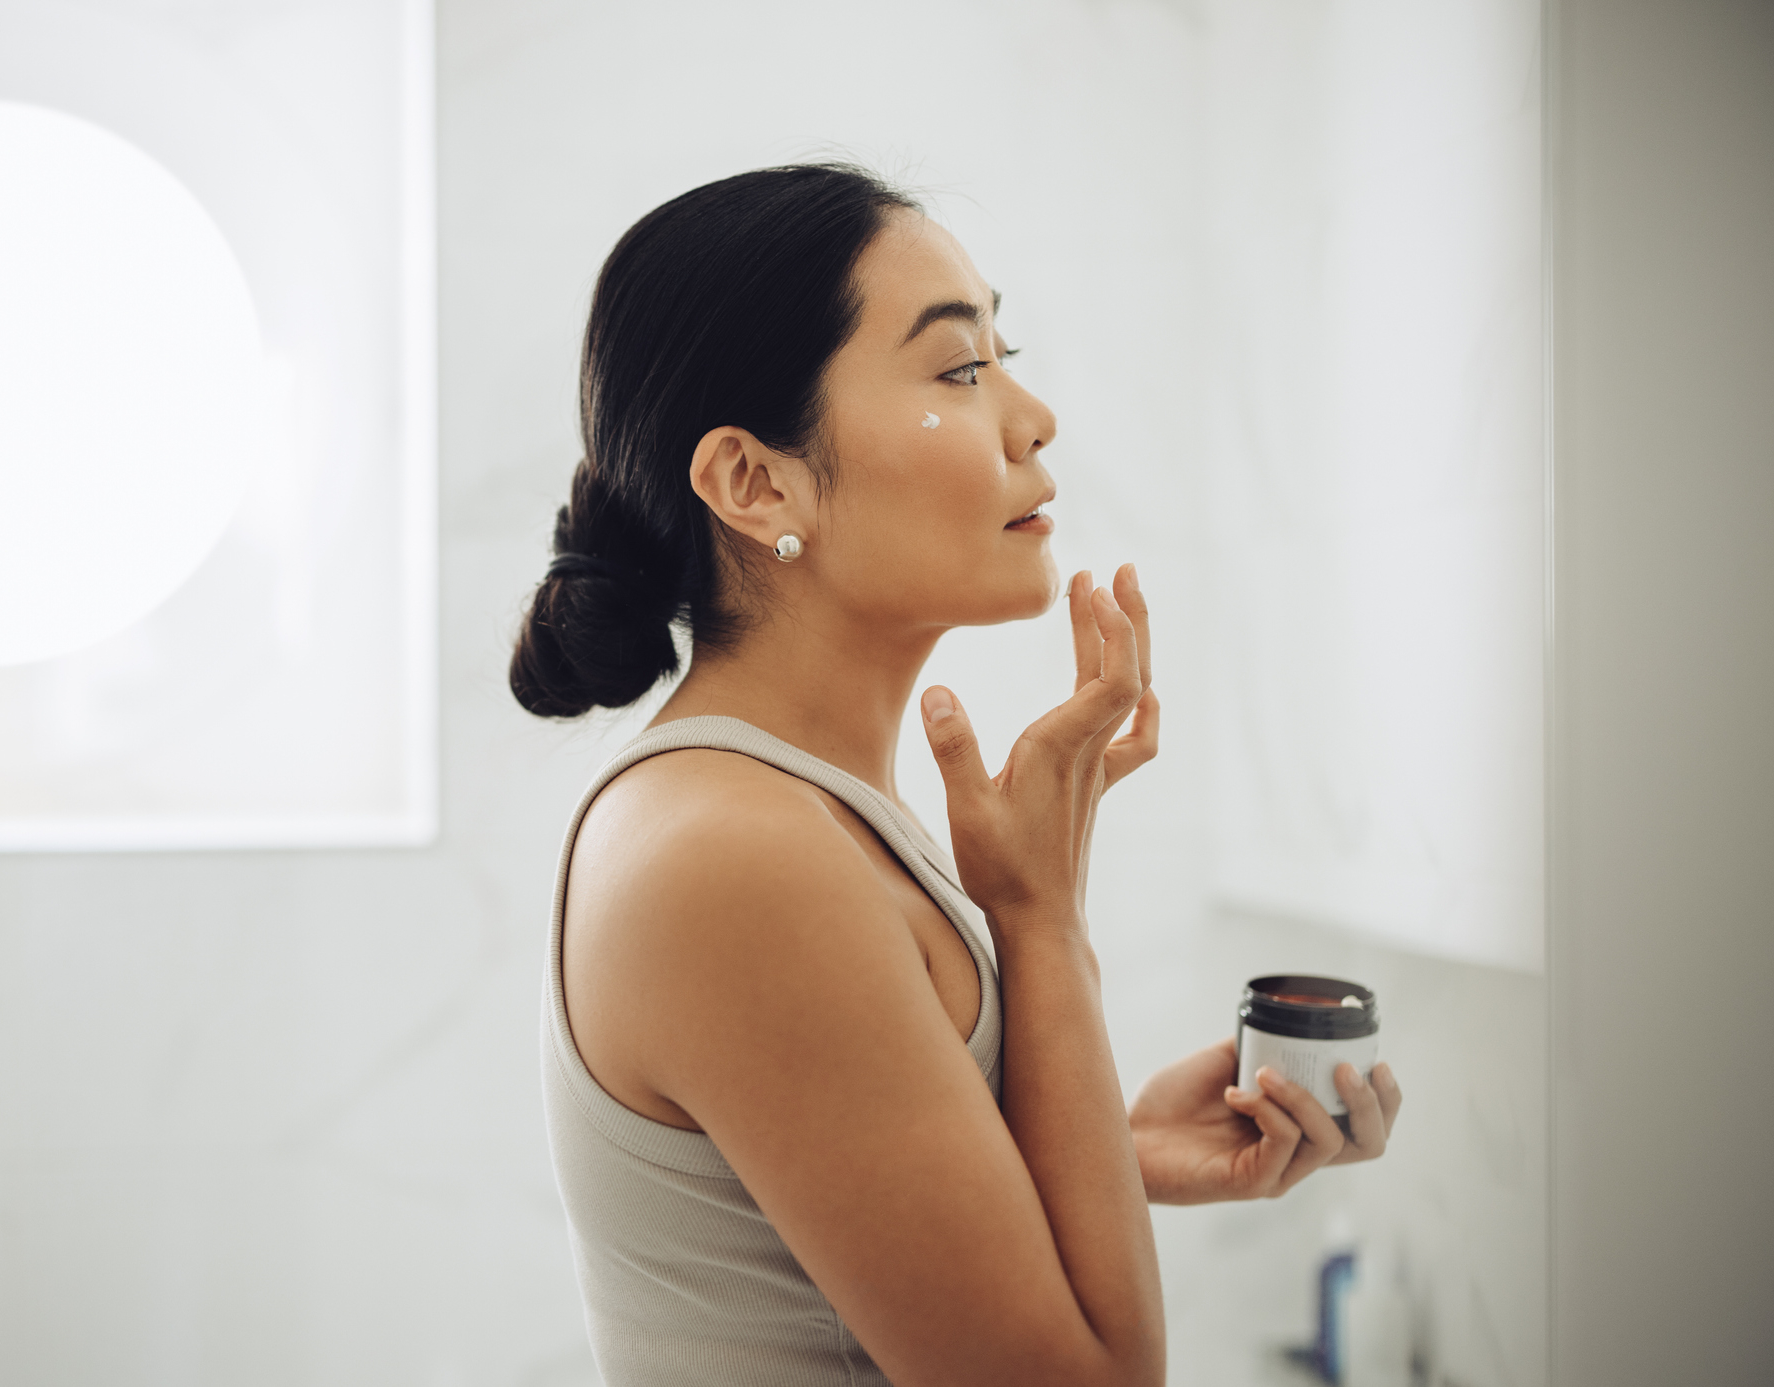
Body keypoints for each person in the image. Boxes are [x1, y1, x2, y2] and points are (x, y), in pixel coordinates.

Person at [511, 164, 1402, 1387]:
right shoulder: (738, 853)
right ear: (754, 483)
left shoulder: (784, 812)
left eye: (1004, 354)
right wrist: (1038, 921)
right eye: (959, 370)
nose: (1031, 418)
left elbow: (808, 1219)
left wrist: (1114, 1145)